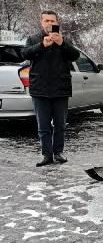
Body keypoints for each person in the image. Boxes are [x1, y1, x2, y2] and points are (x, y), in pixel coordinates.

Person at [22, 11, 80, 167]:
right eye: (46, 20)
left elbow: (75, 56)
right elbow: (24, 53)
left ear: (57, 22)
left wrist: (62, 44)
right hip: (39, 90)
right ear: (41, 22)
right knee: (44, 126)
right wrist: (42, 45)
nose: (49, 23)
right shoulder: (33, 39)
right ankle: (47, 155)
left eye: (52, 20)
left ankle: (58, 153)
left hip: (60, 89)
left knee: (60, 125)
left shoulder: (63, 40)